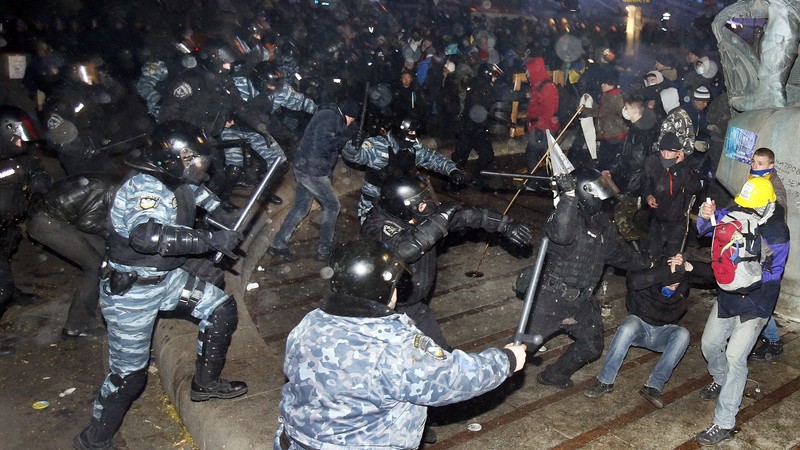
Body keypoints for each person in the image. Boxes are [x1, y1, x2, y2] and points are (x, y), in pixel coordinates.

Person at [72, 121, 246, 450]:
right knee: (129, 378)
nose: (202, 168)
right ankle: (93, 440)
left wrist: (224, 219)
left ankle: (204, 384)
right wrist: (210, 240)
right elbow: (148, 236)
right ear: (174, 159)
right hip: (133, 293)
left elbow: (202, 198)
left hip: (166, 279)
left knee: (221, 309)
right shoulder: (145, 189)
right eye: (196, 161)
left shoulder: (177, 179)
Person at [274, 239, 527, 450]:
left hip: (295, 441)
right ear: (381, 291)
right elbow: (454, 378)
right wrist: (506, 360)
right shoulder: (395, 345)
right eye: (393, 286)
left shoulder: (310, 322)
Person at [516, 168, 653, 389]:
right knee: (518, 352)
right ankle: (484, 387)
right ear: (584, 191)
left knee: (591, 345)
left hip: (581, 301)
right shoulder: (563, 215)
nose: (601, 198)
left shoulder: (600, 223)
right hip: (551, 298)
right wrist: (568, 196)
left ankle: (554, 375)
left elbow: (620, 254)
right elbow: (562, 233)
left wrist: (648, 262)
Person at [362, 173, 532, 349]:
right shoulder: (376, 226)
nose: (428, 205)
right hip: (385, 311)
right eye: (421, 203)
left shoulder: (419, 216)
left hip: (413, 306)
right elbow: (405, 249)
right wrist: (439, 220)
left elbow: (466, 216)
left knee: (442, 354)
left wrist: (504, 224)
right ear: (402, 207)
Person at [694, 177, 789, 446]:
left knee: (735, 355)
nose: (745, 210)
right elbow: (705, 229)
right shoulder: (739, 209)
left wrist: (749, 252)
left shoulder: (777, 232)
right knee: (710, 344)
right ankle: (721, 380)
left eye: (751, 207)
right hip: (728, 295)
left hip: (756, 300)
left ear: (768, 204)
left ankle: (724, 422)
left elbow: (774, 273)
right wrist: (706, 215)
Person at [584, 254, 701, 408]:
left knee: (683, 334)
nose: (674, 287)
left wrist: (689, 267)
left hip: (663, 332)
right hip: (640, 327)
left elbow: (710, 274)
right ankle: (605, 380)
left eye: (677, 285)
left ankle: (654, 386)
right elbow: (633, 280)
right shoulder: (649, 281)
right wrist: (666, 271)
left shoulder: (681, 287)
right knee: (627, 327)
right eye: (671, 284)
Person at [267, 99, 359, 262]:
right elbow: (322, 147)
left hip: (307, 167)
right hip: (312, 171)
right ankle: (324, 249)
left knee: (301, 208)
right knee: (332, 205)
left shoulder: (330, 116)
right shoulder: (330, 120)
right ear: (348, 116)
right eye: (352, 120)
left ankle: (278, 244)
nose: (351, 123)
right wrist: (343, 138)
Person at [26, 174, 117, 338]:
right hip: (46, 222)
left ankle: (101, 300)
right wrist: (114, 232)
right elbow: (87, 223)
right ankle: (75, 327)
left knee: (103, 249)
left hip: (60, 217)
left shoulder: (110, 183)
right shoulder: (111, 191)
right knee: (94, 267)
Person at [341, 117, 464, 222]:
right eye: (410, 131)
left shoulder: (413, 146)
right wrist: (353, 145)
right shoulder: (379, 146)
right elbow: (355, 156)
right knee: (376, 239)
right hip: (376, 206)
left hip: (404, 203)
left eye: (415, 131)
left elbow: (431, 158)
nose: (413, 135)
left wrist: (452, 170)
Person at [747, 147, 788, 361]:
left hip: (769, 250)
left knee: (761, 296)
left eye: (760, 163)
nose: (755, 166)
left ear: (770, 166)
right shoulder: (756, 180)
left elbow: (776, 212)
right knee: (755, 294)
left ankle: (772, 340)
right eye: (753, 162)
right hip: (758, 246)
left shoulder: (773, 186)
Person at [602, 96, 658, 251]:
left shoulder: (640, 133)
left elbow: (636, 161)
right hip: (630, 181)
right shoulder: (637, 129)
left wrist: (619, 164)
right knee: (618, 215)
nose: (624, 110)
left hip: (633, 184)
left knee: (622, 219)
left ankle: (638, 255)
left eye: (626, 107)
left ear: (634, 110)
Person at [641, 132, 703, 260]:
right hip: (657, 217)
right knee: (651, 254)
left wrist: (678, 167)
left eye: (669, 152)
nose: (665, 155)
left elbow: (695, 187)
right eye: (662, 151)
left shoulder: (690, 164)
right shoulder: (652, 161)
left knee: (673, 258)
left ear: (679, 152)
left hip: (677, 220)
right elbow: (645, 182)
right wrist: (648, 196)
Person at [452, 63, 500, 188]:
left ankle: (476, 178)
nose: (495, 79)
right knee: (460, 158)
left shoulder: (484, 87)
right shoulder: (478, 88)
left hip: (479, 129)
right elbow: (476, 109)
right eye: (493, 76)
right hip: (469, 128)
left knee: (487, 154)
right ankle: (453, 182)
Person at [524, 56, 559, 171]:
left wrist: (540, 128)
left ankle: (534, 182)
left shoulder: (547, 87)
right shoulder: (536, 86)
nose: (527, 74)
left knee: (533, 154)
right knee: (546, 155)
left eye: (529, 71)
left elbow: (549, 111)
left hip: (543, 128)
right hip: (538, 127)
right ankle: (549, 180)